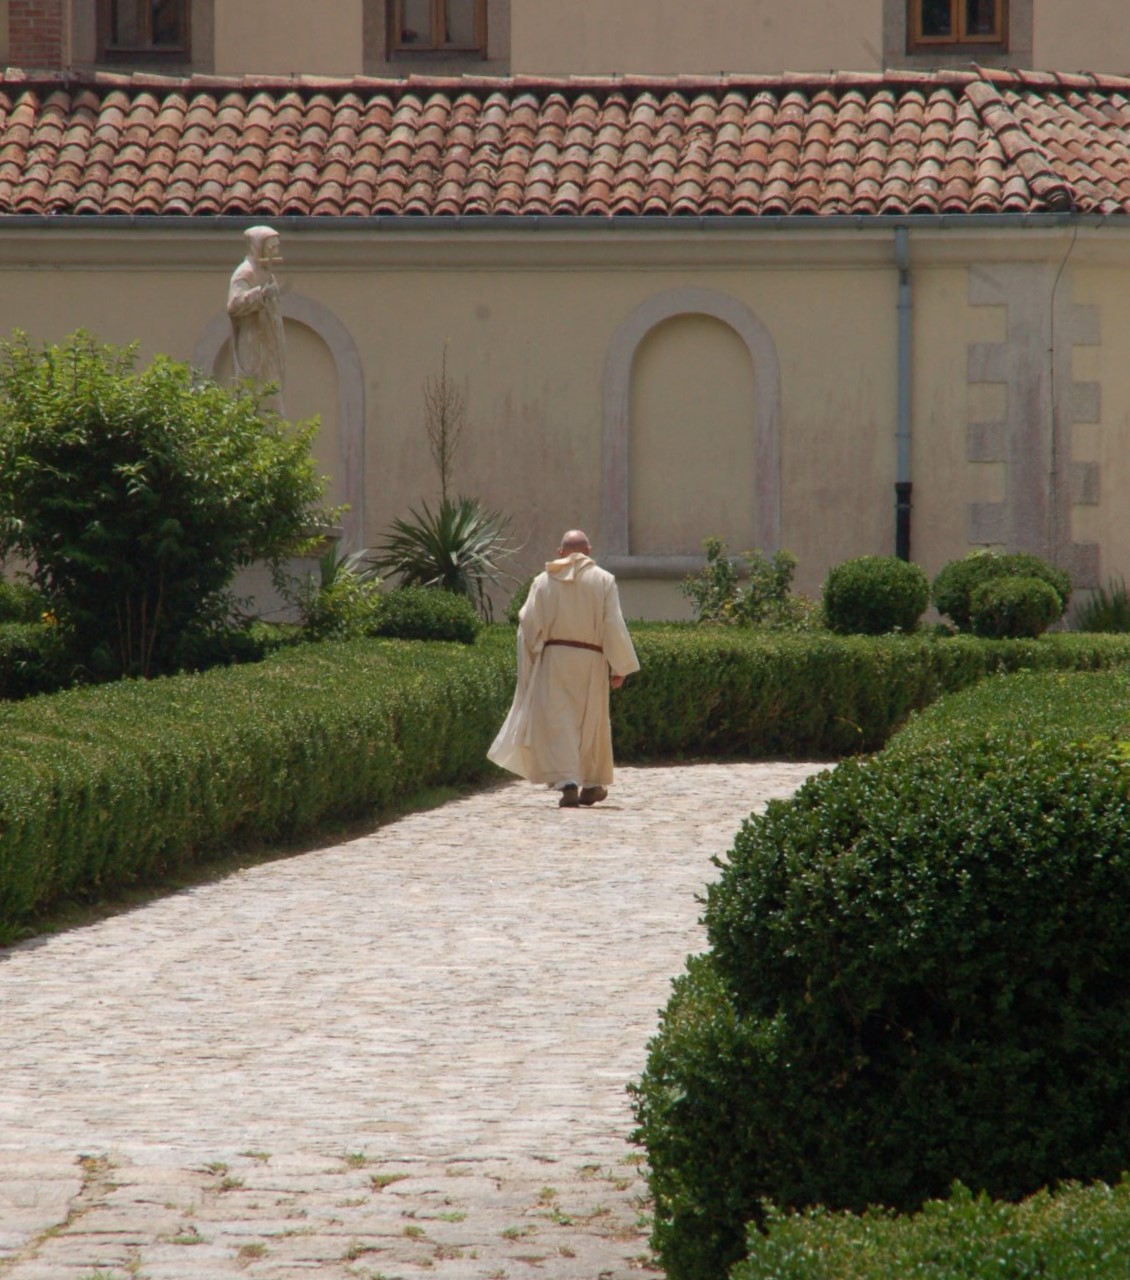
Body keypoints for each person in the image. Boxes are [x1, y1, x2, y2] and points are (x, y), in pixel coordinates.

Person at [489, 529, 639, 807]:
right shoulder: (604, 580)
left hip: (554, 660)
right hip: (592, 659)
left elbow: (529, 625)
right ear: (589, 551)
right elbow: (613, 624)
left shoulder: (543, 581)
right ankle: (592, 783)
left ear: (561, 552)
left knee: (559, 723)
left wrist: (533, 660)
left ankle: (567, 781)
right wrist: (620, 666)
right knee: (590, 723)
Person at [227, 225, 286, 415]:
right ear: (258, 247)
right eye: (271, 248)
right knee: (253, 394)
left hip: (268, 341)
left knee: (272, 397)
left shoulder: (266, 273)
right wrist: (259, 294)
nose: (275, 252)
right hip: (252, 343)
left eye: (277, 247)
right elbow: (233, 305)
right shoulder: (245, 273)